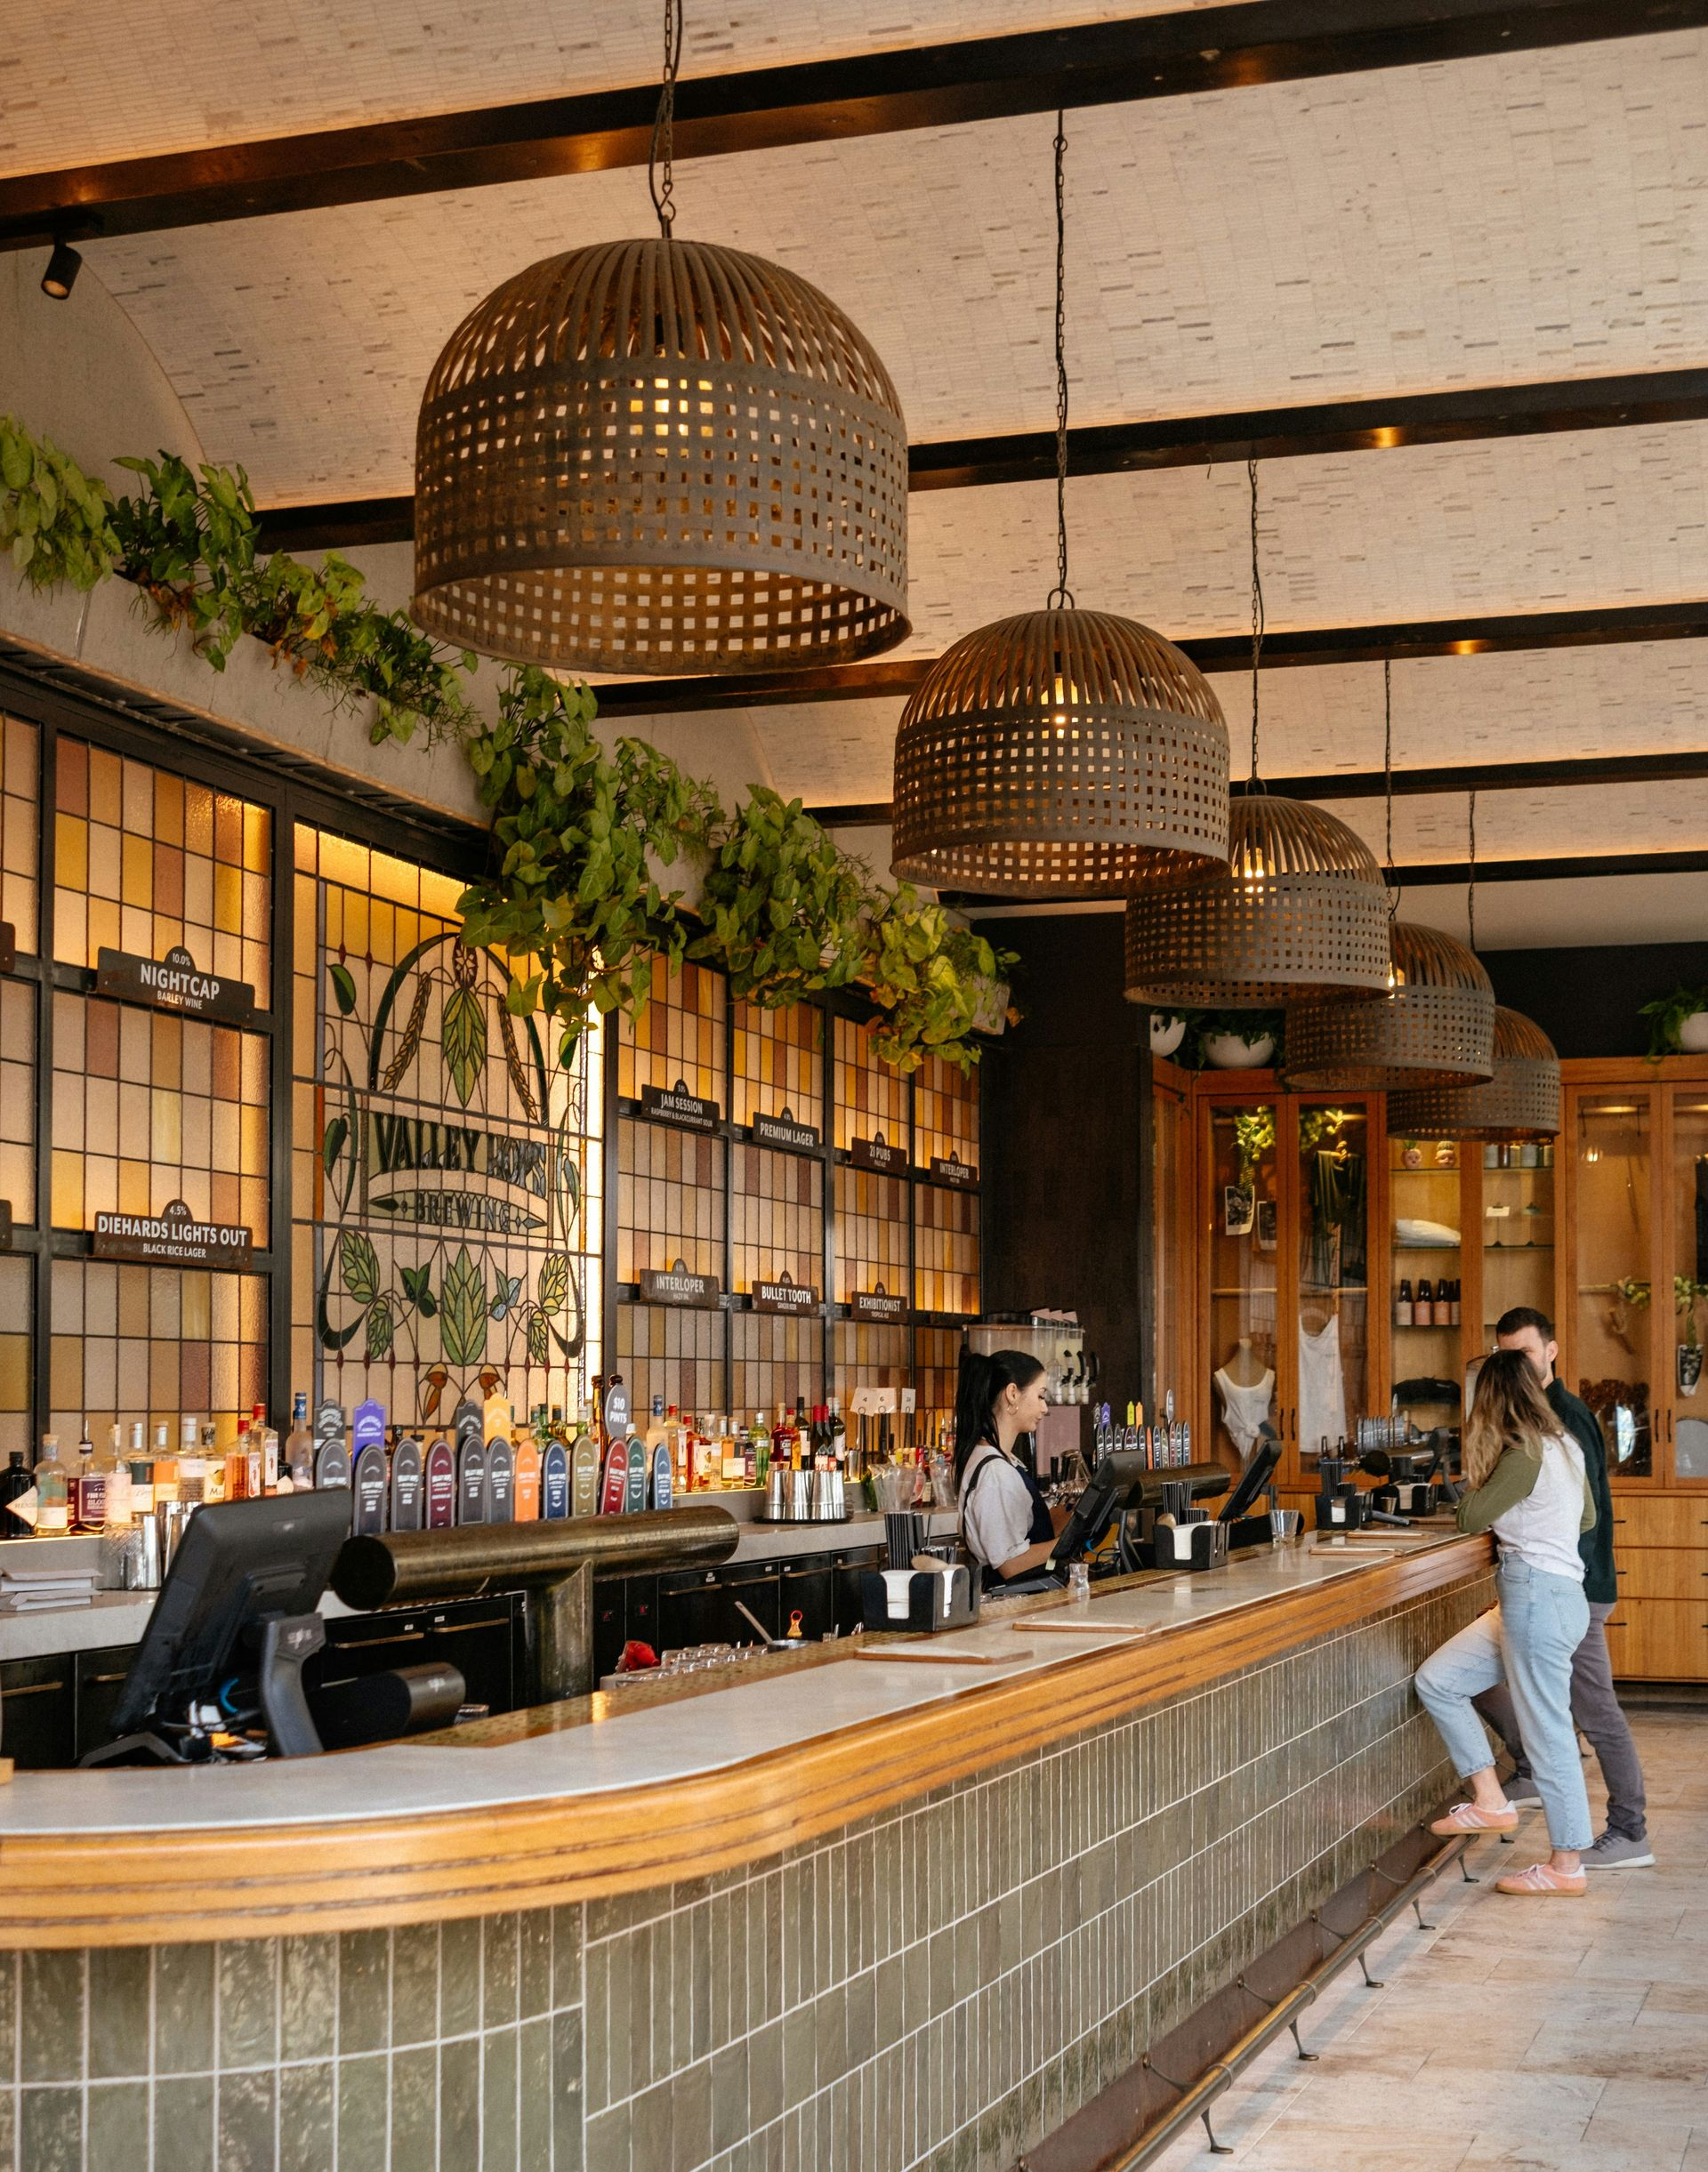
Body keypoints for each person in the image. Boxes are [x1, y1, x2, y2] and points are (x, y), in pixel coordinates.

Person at [1472, 1305, 1653, 1869]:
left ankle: (1630, 1832)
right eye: (1507, 1356)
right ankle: (1528, 1770)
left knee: (1596, 1712)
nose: (1516, 1366)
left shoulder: (1564, 1416)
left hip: (1574, 1584)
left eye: (1524, 1354)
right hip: (1554, 1582)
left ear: (1550, 1351)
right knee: (1474, 1676)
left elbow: (1584, 1515)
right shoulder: (1536, 1412)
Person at [1414, 1347, 1596, 1896]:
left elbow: (1470, 1517)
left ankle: (1567, 1867)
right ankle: (1491, 1800)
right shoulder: (1564, 1445)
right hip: (1548, 1597)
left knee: (1548, 1736)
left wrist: (1484, 1474)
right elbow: (1586, 1516)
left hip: (1536, 1599)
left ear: (1491, 1399)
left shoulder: (1523, 1452)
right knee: (1439, 1681)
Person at [954, 1348, 1068, 1585]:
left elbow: (1026, 1532)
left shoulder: (999, 1461)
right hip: (1014, 1606)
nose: (1045, 1409)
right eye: (1040, 1396)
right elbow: (1011, 1564)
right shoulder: (995, 1472)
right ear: (1013, 1394)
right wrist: (1068, 1541)